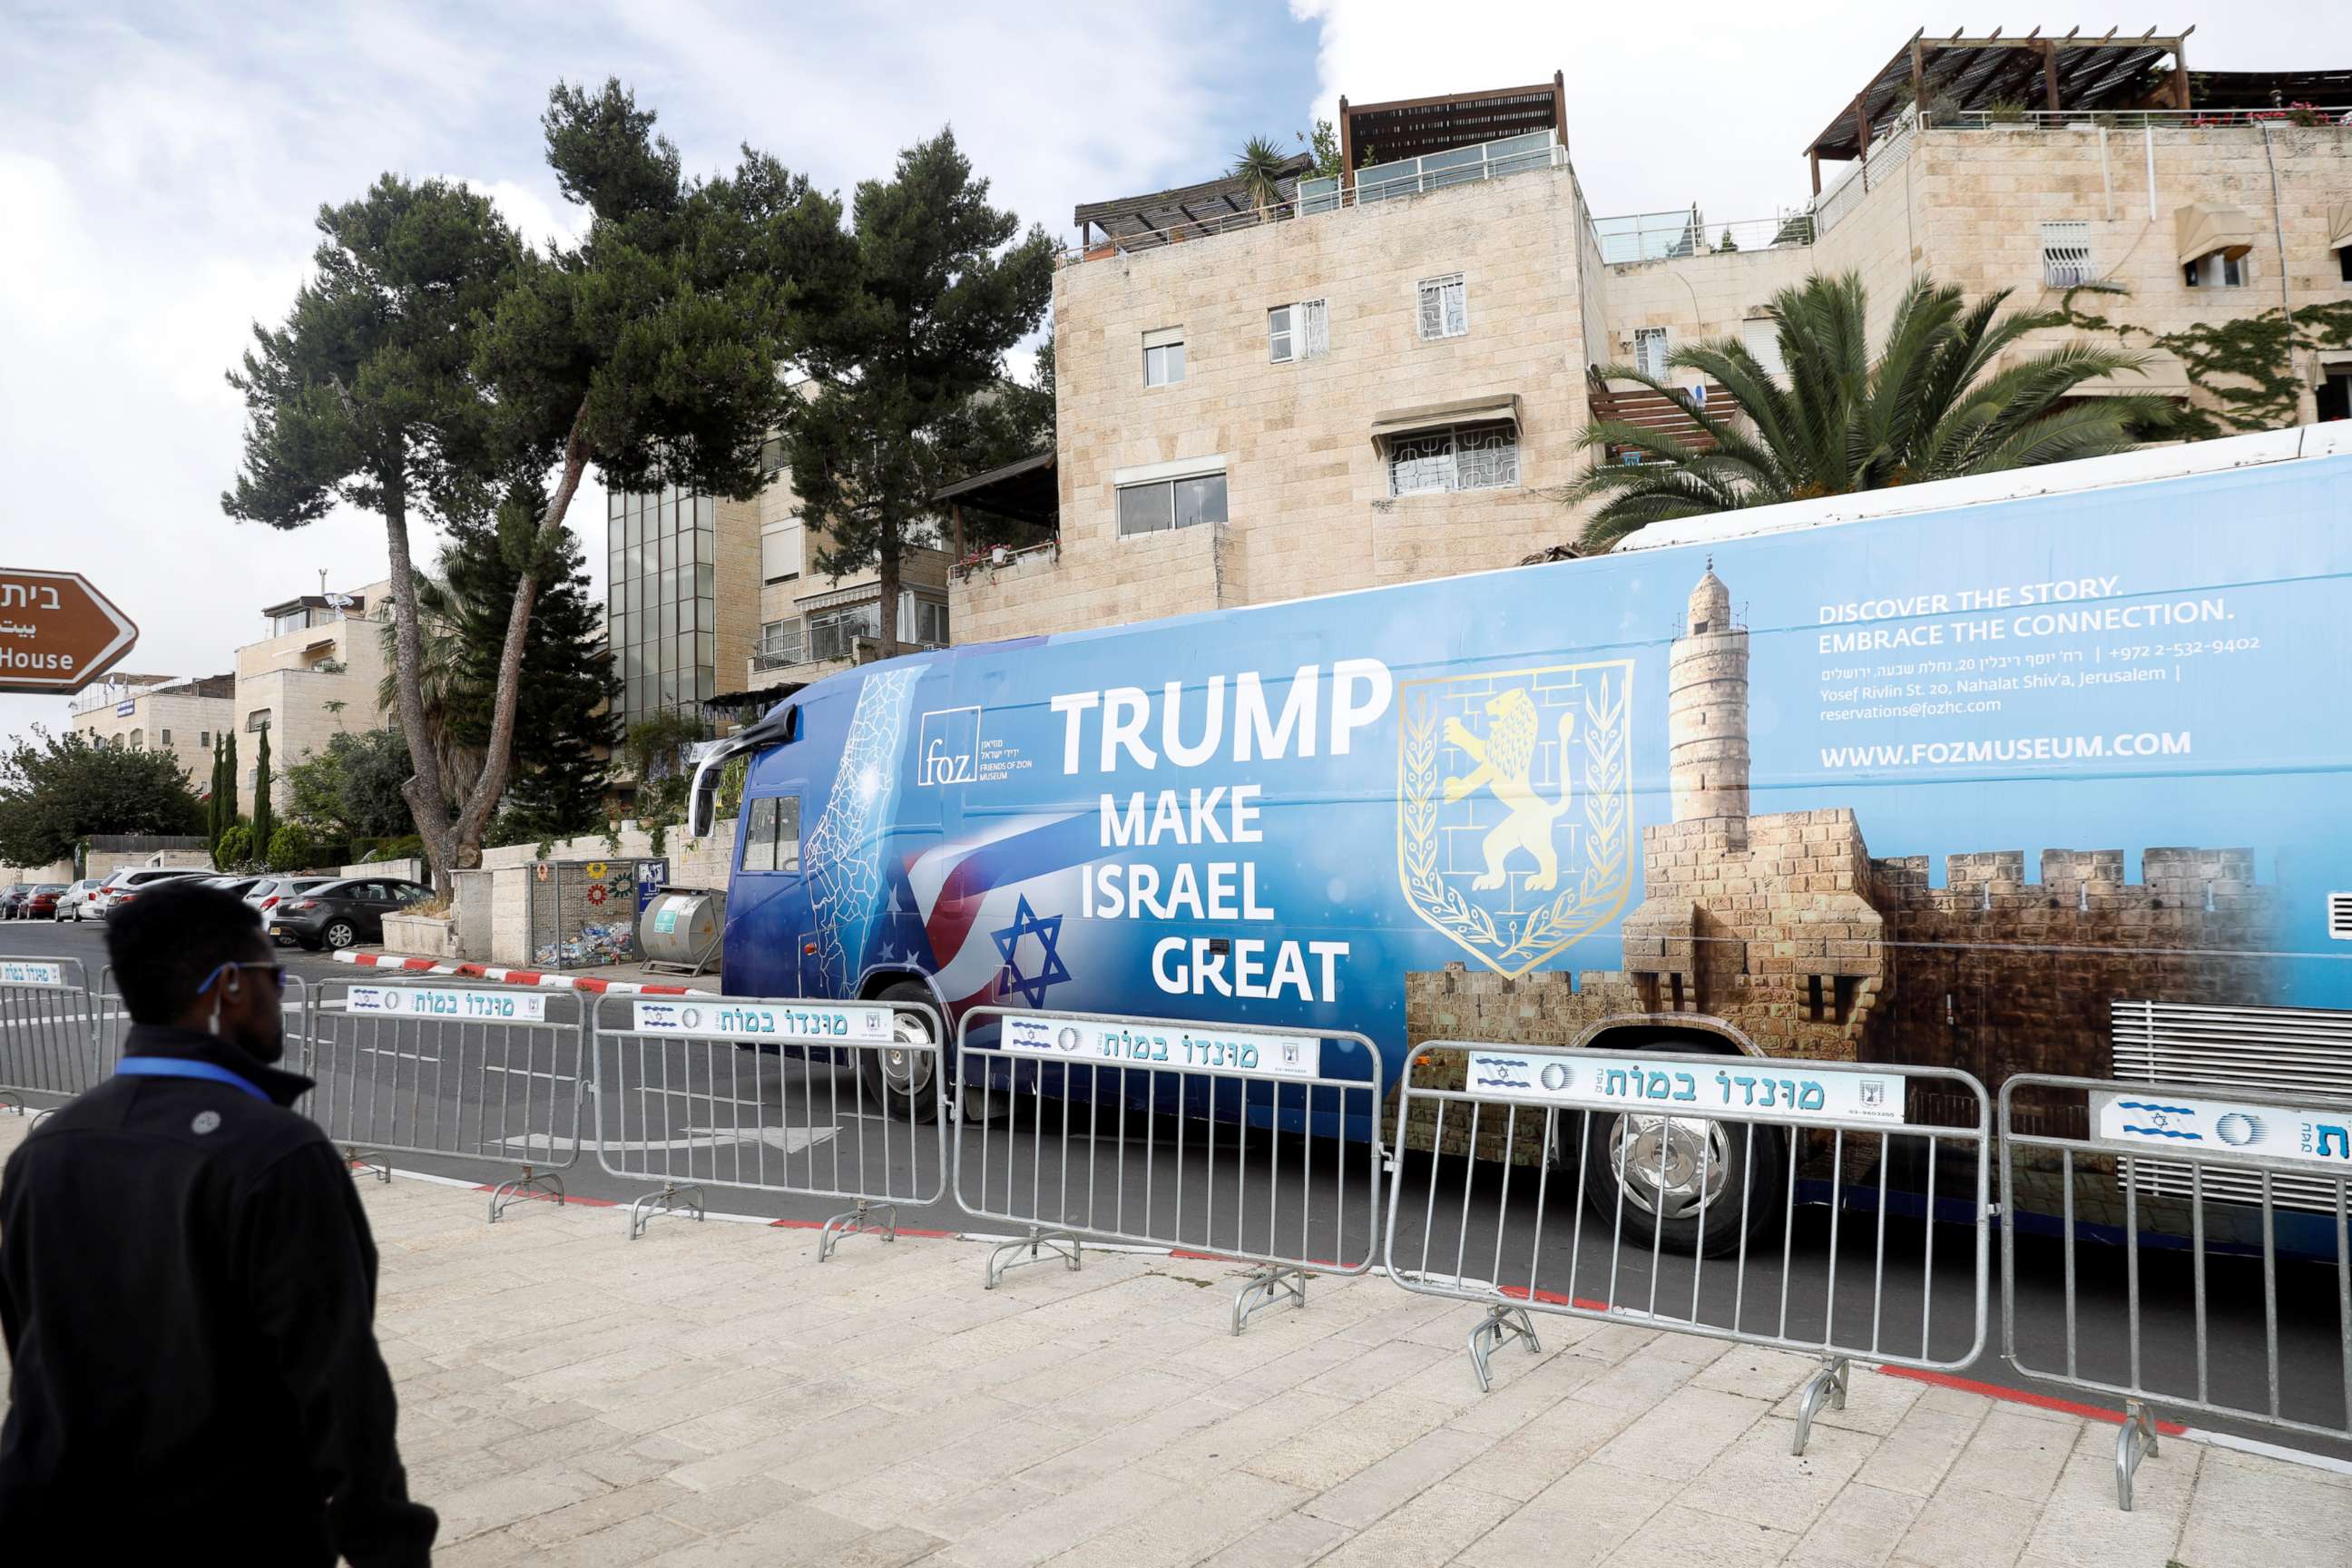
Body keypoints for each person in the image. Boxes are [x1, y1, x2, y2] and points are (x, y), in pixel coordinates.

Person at [0, 879, 436, 1564]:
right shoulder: (275, 1155)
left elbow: (32, 1351)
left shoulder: (44, 1151)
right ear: (230, 986)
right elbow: (338, 1383)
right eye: (273, 975)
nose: (280, 995)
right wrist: (388, 1546)